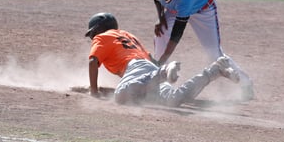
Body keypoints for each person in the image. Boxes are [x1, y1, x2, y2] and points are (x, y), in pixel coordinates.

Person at [84, 12, 240, 107]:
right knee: (174, 99)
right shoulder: (127, 35)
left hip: (139, 69)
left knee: (121, 95)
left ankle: (164, 72)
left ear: (98, 28)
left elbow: (93, 62)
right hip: (150, 70)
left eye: (92, 32)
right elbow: (150, 58)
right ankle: (215, 70)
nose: (92, 37)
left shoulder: (102, 37)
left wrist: (93, 91)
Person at [145, 0, 254, 101]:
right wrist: (160, 18)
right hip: (179, 7)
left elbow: (177, 34)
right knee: (161, 32)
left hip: (203, 9)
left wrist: (162, 59)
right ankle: (160, 83)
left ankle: (246, 83)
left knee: (214, 54)